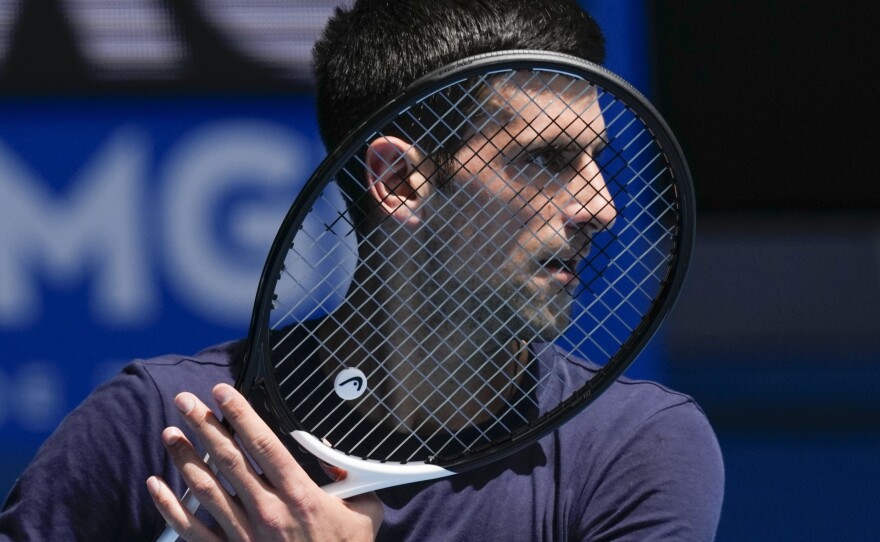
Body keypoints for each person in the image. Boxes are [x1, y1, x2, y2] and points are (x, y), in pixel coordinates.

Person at [0, 1, 724, 541]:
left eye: (597, 160)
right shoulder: (155, 427)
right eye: (545, 160)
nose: (598, 207)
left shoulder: (635, 450)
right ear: (401, 182)